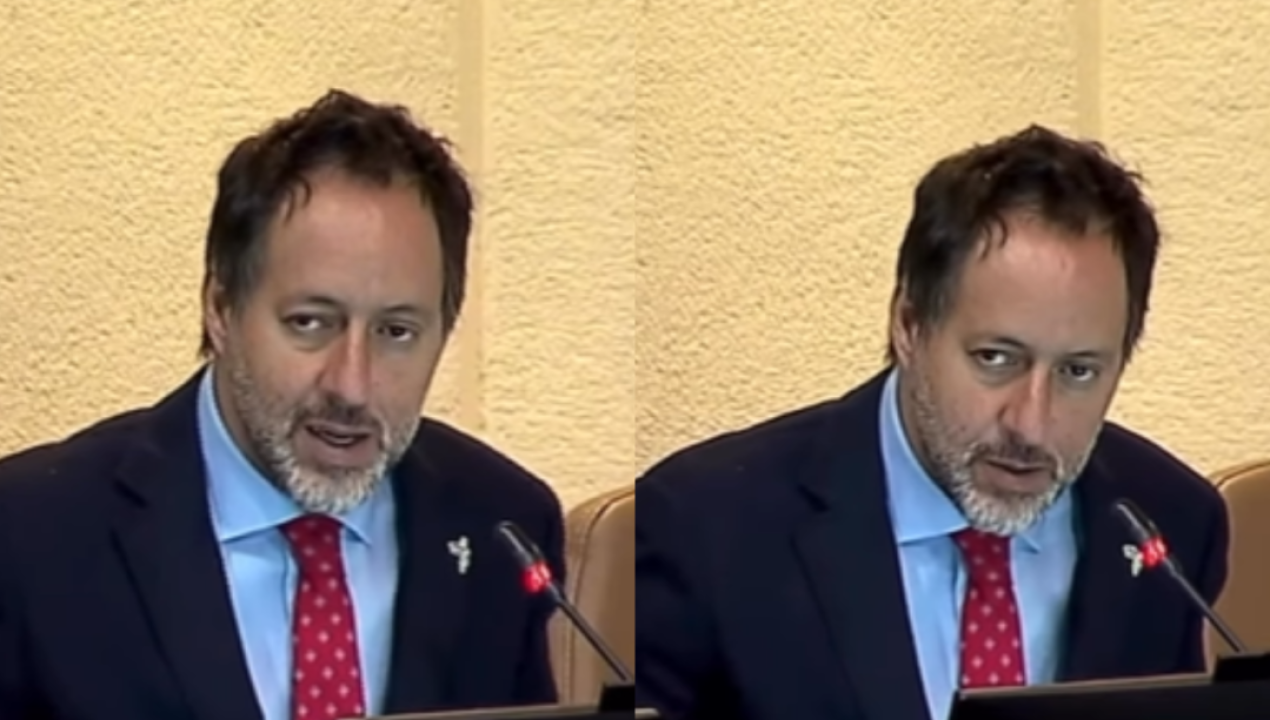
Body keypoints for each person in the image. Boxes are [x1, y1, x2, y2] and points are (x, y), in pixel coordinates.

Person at [0, 89, 566, 720]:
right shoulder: (31, 535)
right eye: (309, 323)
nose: (351, 386)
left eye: (396, 332)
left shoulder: (503, 524)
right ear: (221, 309)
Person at [634, 125, 1230, 720]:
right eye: (995, 359)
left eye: (1078, 372)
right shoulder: (709, 529)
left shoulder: (1174, 522)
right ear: (910, 325)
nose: (1030, 424)